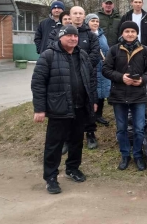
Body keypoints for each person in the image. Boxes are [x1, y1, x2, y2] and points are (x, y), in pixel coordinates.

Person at [31, 25, 98, 194]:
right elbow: (38, 84)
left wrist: (93, 100)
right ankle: (51, 177)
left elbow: (90, 79)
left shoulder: (82, 55)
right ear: (60, 37)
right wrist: (39, 109)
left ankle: (72, 169)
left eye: (75, 36)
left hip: (80, 107)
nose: (73, 39)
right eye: (69, 36)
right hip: (58, 107)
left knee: (76, 142)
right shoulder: (49, 55)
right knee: (54, 145)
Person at [102, 21, 147, 171]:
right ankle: (125, 155)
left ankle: (138, 155)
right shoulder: (114, 50)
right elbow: (106, 69)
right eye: (127, 31)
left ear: (137, 33)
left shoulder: (145, 50)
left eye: (133, 31)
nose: (130, 34)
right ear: (122, 33)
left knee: (139, 128)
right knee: (121, 128)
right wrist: (121, 77)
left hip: (138, 95)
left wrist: (143, 80)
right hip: (119, 95)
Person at [69, 6, 100, 149]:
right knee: (68, 106)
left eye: (80, 13)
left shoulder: (91, 36)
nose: (77, 16)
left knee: (89, 105)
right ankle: (67, 138)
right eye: (75, 13)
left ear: (84, 16)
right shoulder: (61, 33)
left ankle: (90, 134)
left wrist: (82, 67)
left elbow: (95, 55)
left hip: (88, 76)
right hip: (68, 76)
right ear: (70, 15)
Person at [85, 13, 111, 126]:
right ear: (87, 22)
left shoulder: (102, 35)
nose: (95, 23)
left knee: (102, 92)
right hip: (92, 67)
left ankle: (99, 115)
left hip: (103, 66)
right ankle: (91, 115)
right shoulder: (85, 35)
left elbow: (106, 49)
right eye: (92, 21)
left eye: (97, 21)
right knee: (93, 91)